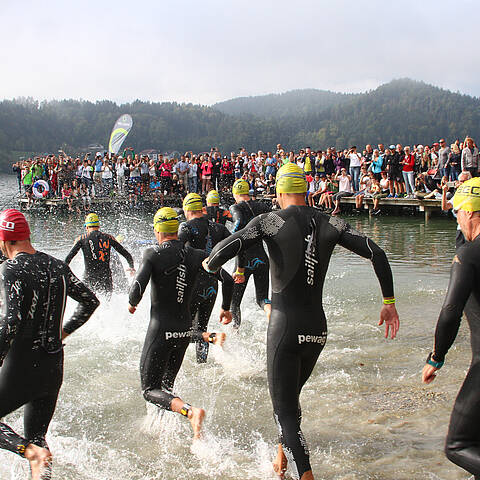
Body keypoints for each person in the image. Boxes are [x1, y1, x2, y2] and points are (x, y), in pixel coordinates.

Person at [204, 163, 399, 480]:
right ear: (306, 191)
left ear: (280, 193)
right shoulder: (330, 221)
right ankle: (281, 464)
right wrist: (388, 302)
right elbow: (376, 252)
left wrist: (211, 265)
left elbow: (231, 245)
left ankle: (304, 474)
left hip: (285, 328)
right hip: (317, 331)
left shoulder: (269, 220)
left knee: (283, 413)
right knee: (290, 405)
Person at [0, 209, 99, 480]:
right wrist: (63, 332)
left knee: (32, 447)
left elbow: (12, 321)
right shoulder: (57, 265)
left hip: (21, 366)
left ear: (5, 240)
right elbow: (91, 301)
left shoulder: (11, 267)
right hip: (53, 366)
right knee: (38, 436)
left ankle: (28, 451)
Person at [127, 207, 233, 440]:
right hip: (184, 330)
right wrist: (226, 307)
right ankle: (163, 427)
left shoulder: (152, 254)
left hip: (161, 329)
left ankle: (190, 411)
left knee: (149, 389)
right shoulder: (196, 255)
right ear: (176, 229)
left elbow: (136, 289)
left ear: (157, 230)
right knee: (166, 385)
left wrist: (131, 304)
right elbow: (226, 278)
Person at [422, 177, 480, 479]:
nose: (455, 216)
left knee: (458, 446)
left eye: (457, 211)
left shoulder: (469, 256)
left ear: (470, 213)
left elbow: (450, 311)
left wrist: (436, 357)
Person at [178, 193, 232, 362]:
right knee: (201, 327)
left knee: (181, 330)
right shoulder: (218, 228)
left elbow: (175, 252)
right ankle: (202, 363)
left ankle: (212, 337)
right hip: (213, 284)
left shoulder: (185, 227)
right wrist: (240, 268)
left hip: (192, 284)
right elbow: (237, 245)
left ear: (187, 209)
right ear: (201, 208)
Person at [229, 179, 271, 328]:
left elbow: (239, 222)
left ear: (235, 193)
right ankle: (272, 317)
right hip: (262, 259)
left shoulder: (235, 207)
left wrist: (230, 239)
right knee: (263, 300)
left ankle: (235, 334)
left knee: (234, 302)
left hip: (243, 263)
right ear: (248, 192)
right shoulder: (262, 206)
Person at [65, 213, 135, 294]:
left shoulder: (81, 239)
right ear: (98, 226)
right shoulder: (109, 238)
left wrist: (65, 274)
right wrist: (131, 267)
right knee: (107, 304)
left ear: (86, 227)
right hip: (106, 278)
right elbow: (127, 254)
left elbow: (68, 259)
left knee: (89, 302)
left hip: (89, 278)